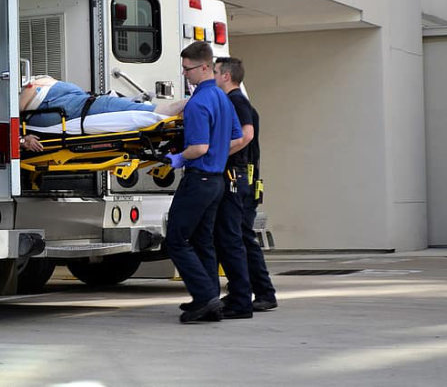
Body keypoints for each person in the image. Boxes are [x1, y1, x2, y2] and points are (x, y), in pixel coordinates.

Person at [164, 42, 244, 323]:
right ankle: (210, 299)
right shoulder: (223, 98)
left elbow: (197, 147)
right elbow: (237, 138)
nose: (185, 74)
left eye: (188, 69)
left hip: (199, 179)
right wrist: (218, 153)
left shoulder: (198, 103)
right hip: (217, 181)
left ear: (205, 67)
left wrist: (176, 159)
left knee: (176, 239)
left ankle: (205, 296)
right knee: (202, 240)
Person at [214, 57, 278, 313]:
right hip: (245, 180)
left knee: (240, 238)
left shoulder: (236, 101)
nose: (214, 76)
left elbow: (246, 135)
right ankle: (246, 291)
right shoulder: (239, 101)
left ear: (226, 76)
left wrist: (215, 153)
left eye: (216, 72)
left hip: (241, 181)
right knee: (237, 238)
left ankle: (264, 292)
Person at [20, 76, 186, 127]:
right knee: (105, 104)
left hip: (58, 99)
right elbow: (14, 114)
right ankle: (161, 111)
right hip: (47, 106)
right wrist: (23, 139)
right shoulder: (10, 90)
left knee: (106, 102)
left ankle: (155, 110)